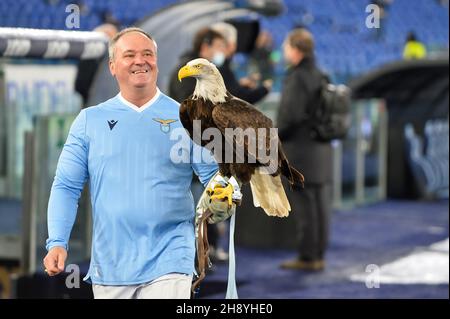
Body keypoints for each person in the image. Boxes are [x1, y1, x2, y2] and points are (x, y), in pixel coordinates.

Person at [43, 27, 232, 299]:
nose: (140, 61)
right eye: (129, 55)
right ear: (112, 66)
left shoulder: (188, 118)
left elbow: (214, 176)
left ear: (156, 60)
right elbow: (66, 186)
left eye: (147, 54)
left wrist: (226, 193)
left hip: (171, 259)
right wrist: (57, 241)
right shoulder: (89, 121)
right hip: (111, 266)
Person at [277, 28, 333, 271]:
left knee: (305, 206)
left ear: (295, 49)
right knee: (319, 204)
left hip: (300, 151)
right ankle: (317, 254)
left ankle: (308, 257)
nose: (284, 51)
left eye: (287, 46)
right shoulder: (321, 74)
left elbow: (290, 115)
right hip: (319, 149)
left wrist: (274, 136)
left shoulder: (297, 77)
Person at [211, 22, 272, 104]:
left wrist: (239, 85)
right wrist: (265, 89)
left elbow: (229, 90)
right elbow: (240, 97)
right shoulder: (221, 67)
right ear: (232, 44)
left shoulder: (215, 65)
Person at [168, 28, 227, 103]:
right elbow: (191, 105)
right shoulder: (191, 70)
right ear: (205, 48)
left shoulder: (206, 71)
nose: (223, 51)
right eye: (219, 46)